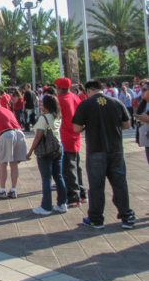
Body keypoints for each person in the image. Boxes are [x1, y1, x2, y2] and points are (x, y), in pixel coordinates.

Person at [72, 80, 135, 229]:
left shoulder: (86, 104)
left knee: (96, 186)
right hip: (116, 149)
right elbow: (127, 124)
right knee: (120, 183)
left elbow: (76, 128)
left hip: (96, 149)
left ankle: (96, 218)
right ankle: (126, 216)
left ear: (88, 91)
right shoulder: (116, 102)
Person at [26, 94, 68, 215]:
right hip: (58, 147)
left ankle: (46, 206)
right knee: (59, 176)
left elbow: (38, 136)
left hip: (46, 150)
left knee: (46, 178)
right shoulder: (58, 116)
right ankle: (62, 203)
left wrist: (30, 152)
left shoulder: (43, 118)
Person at [54, 77, 87, 207]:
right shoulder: (74, 97)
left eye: (56, 87)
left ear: (60, 88)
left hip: (65, 136)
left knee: (68, 169)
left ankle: (73, 197)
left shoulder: (60, 100)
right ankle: (82, 193)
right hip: (75, 136)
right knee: (77, 167)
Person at [0, 97, 26, 197]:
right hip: (19, 133)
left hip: (6, 134)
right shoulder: (7, 110)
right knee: (14, 163)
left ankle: (2, 190)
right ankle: (13, 190)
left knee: (3, 163)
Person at [135, 82, 149, 163]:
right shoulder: (143, 104)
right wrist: (138, 139)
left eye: (144, 90)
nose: (141, 92)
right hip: (146, 142)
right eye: (141, 89)